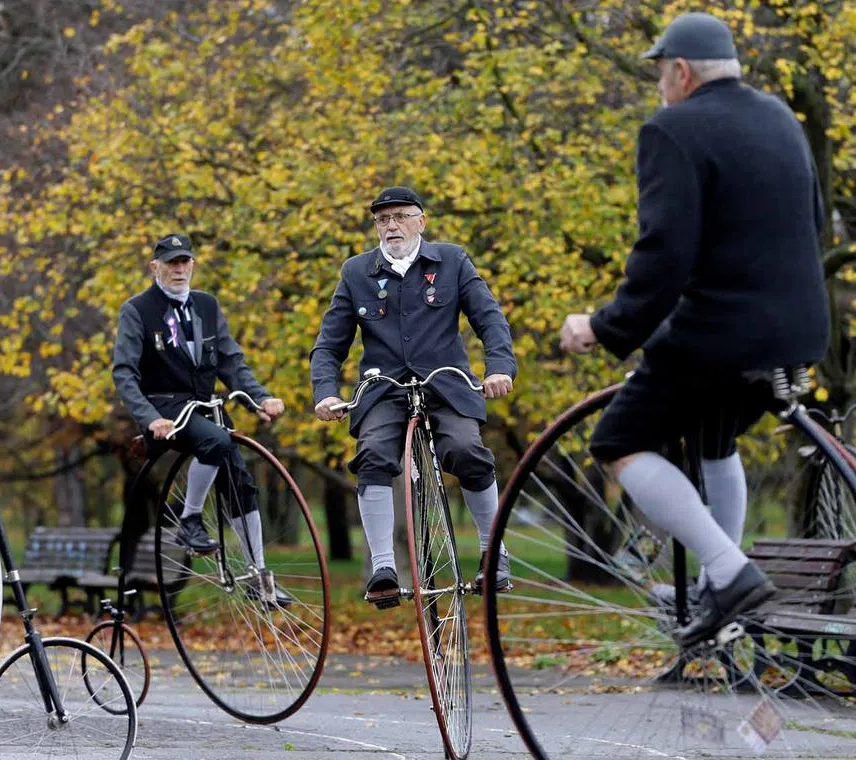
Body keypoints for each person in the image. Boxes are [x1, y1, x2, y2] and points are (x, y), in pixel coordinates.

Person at [559, 13, 829, 646]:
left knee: (620, 440)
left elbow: (663, 256)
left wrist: (604, 327)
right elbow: (811, 222)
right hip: (798, 333)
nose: (658, 86)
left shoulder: (671, 128)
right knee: (715, 440)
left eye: (659, 73)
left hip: (722, 336)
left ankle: (730, 572)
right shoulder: (781, 119)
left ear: (681, 72)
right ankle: (719, 581)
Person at [310, 186, 517, 608]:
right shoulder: (356, 272)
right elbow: (329, 345)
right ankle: (383, 567)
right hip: (383, 389)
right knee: (372, 454)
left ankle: (493, 552)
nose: (391, 226)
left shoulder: (452, 260)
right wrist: (326, 393)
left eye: (401, 216)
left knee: (466, 450)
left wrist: (499, 367)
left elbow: (490, 319)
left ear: (421, 221)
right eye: (383, 220)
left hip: (447, 384)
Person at [111, 234, 289, 603]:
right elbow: (124, 374)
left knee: (242, 483)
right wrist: (149, 418)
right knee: (216, 440)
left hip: (205, 408)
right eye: (171, 263)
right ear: (154, 267)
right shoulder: (137, 310)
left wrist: (259, 397)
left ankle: (259, 575)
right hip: (166, 411)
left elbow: (230, 360)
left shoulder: (206, 306)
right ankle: (190, 520)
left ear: (192, 264)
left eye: (185, 262)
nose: (179, 269)